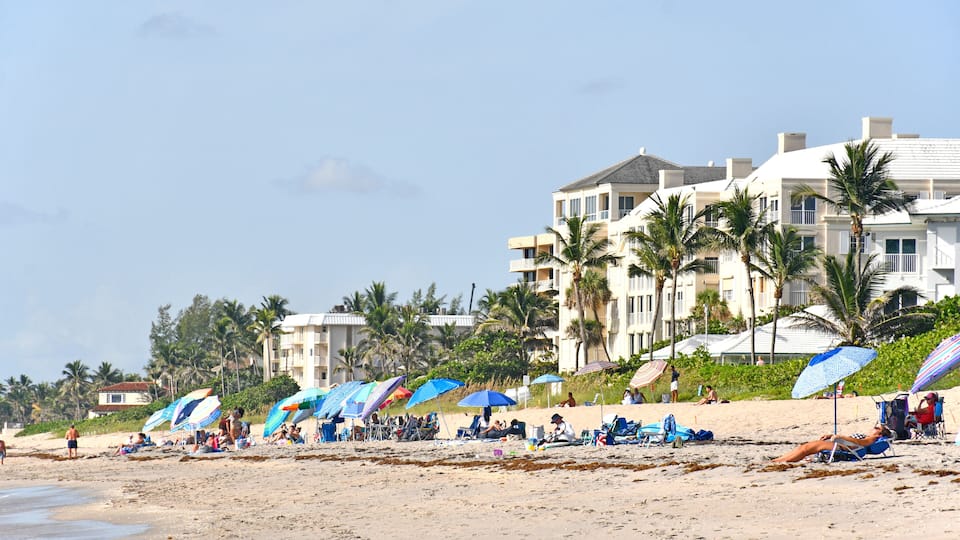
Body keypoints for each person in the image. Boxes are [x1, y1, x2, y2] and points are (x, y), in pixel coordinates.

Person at [772, 425, 891, 463]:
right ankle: (778, 460)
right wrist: (832, 436)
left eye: (876, 428)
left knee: (806, 449)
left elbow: (859, 443)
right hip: (842, 444)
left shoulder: (871, 439)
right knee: (804, 447)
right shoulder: (868, 437)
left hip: (844, 447)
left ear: (879, 434)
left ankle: (779, 462)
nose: (872, 428)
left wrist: (840, 438)